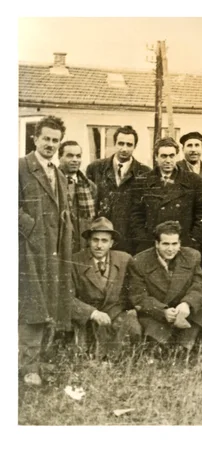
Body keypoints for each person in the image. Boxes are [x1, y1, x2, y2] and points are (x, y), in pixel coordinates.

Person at [19, 115, 73, 385]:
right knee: (31, 305)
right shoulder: (19, 168)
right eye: (46, 139)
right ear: (35, 138)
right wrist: (31, 230)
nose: (50, 144)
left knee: (49, 303)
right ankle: (28, 368)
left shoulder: (60, 175)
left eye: (55, 140)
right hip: (26, 252)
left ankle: (39, 361)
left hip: (53, 253)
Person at [127, 221, 202, 353]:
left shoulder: (192, 256)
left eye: (174, 244)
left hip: (184, 310)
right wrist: (162, 311)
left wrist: (187, 303)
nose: (170, 249)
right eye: (165, 244)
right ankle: (166, 347)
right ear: (156, 244)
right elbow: (138, 297)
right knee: (158, 346)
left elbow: (200, 284)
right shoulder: (139, 262)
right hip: (157, 312)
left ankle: (185, 345)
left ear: (180, 243)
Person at [71, 217, 141, 357]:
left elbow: (136, 289)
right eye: (95, 240)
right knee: (85, 351)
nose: (99, 245)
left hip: (115, 313)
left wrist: (134, 309)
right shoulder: (75, 261)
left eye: (104, 241)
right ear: (89, 241)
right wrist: (92, 313)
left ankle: (124, 363)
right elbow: (66, 297)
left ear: (111, 243)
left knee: (134, 329)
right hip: (88, 316)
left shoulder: (124, 259)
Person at [130, 137, 202, 253]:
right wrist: (144, 241)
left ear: (177, 156)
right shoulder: (143, 181)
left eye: (172, 156)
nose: (168, 160)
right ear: (156, 157)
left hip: (182, 245)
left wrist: (193, 240)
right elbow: (136, 215)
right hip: (152, 245)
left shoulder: (194, 181)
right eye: (163, 156)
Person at [86, 125, 151, 254]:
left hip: (129, 240)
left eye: (129, 144)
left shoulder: (145, 173)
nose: (124, 148)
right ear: (114, 143)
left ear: (134, 147)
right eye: (121, 143)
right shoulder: (96, 168)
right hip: (101, 237)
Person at [58, 140, 97, 252]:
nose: (75, 160)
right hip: (60, 246)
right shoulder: (51, 183)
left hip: (83, 247)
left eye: (78, 156)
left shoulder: (90, 186)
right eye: (70, 156)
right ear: (59, 157)